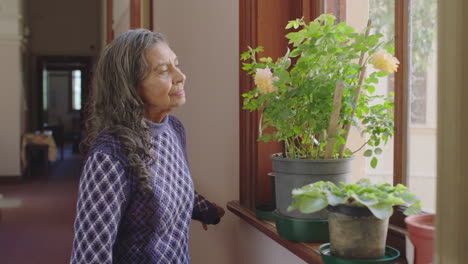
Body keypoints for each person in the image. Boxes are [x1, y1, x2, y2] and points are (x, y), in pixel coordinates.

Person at [70, 29, 225, 264]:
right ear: (130, 86)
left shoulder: (174, 129)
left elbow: (167, 185)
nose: (180, 76)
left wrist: (207, 210)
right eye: (164, 71)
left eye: (176, 65)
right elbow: (89, 258)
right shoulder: (109, 156)